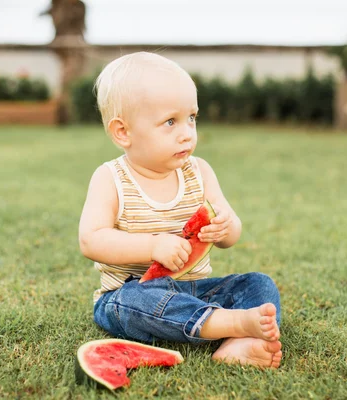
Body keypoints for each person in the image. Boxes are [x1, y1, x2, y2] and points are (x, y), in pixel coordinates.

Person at [78, 52, 282, 368]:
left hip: (196, 290)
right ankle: (231, 325)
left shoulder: (199, 171)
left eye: (192, 118)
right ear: (124, 132)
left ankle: (239, 343)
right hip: (131, 293)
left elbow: (230, 234)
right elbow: (91, 241)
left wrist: (225, 227)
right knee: (132, 301)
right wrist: (152, 245)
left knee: (259, 284)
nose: (187, 132)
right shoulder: (110, 178)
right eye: (170, 121)